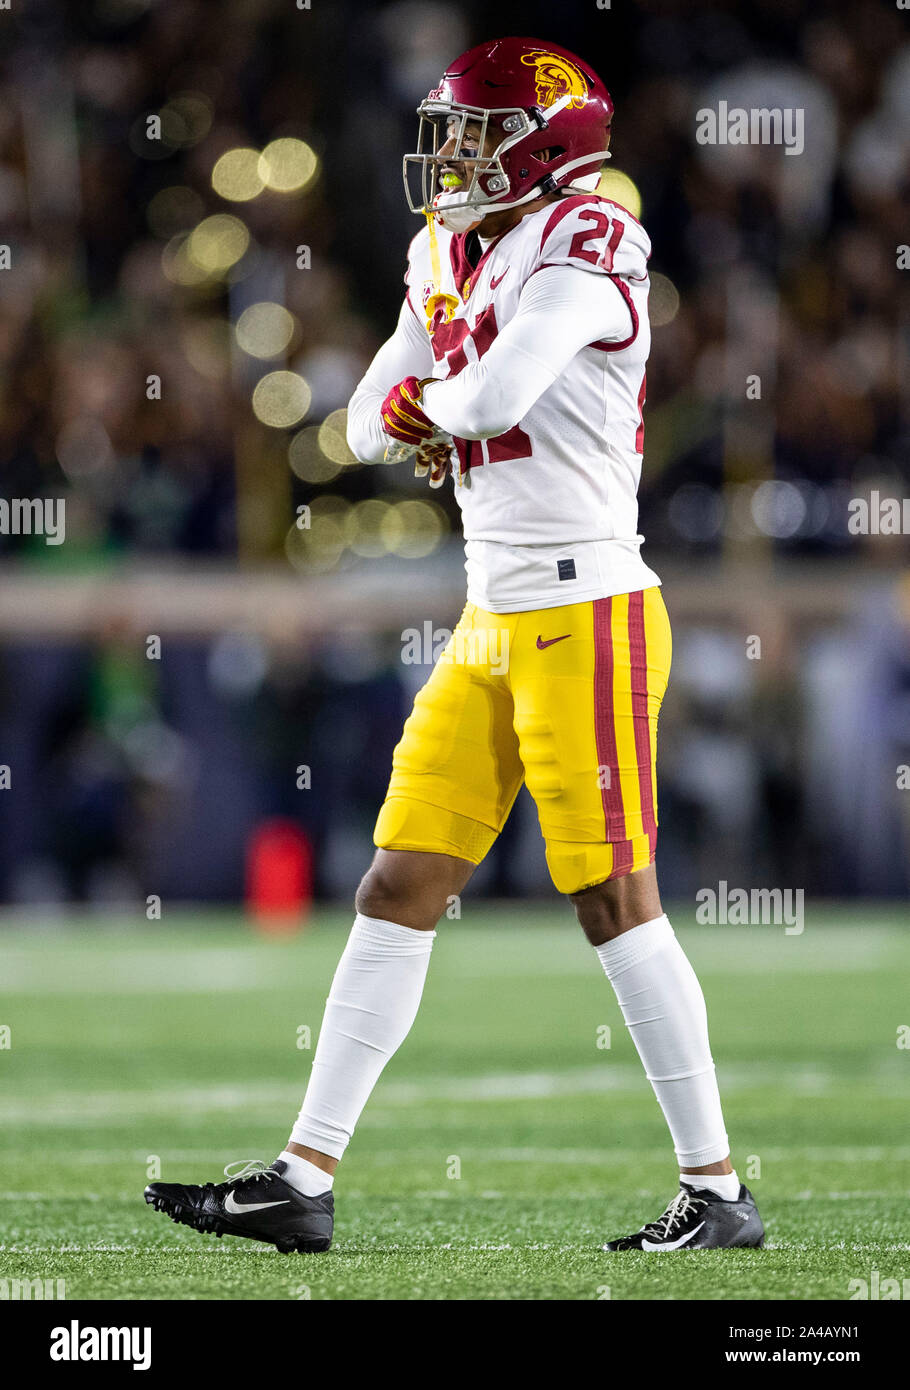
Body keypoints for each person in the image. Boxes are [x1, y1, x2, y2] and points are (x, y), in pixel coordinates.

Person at [145, 36, 763, 1256]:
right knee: (400, 880)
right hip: (493, 611)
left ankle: (717, 1188)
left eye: (477, 133)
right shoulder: (447, 245)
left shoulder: (592, 236)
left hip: (587, 608)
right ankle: (303, 1177)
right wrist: (430, 395)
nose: (454, 157)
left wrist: (438, 393)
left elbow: (476, 402)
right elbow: (363, 415)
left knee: (612, 897)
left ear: (543, 142)